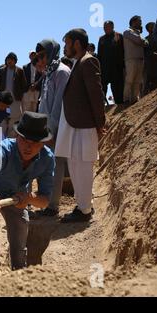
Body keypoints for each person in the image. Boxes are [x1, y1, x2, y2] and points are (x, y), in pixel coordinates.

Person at [0, 112, 55, 270]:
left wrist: (28, 199)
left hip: (16, 197)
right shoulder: (3, 149)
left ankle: (17, 273)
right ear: (17, 136)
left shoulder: (47, 159)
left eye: (34, 142)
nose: (28, 146)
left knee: (20, 233)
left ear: (43, 144)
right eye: (24, 140)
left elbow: (45, 200)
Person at [56, 28, 106, 223]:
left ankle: (84, 211)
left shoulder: (88, 61)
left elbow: (96, 95)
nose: (65, 47)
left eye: (67, 43)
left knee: (82, 166)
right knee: (75, 165)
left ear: (76, 43)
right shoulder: (78, 63)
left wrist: (100, 123)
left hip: (84, 125)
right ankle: (83, 205)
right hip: (76, 124)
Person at [34, 39, 72, 217]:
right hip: (45, 128)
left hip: (58, 129)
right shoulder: (49, 74)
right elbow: (44, 105)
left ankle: (53, 206)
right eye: (37, 57)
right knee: (46, 166)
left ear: (51, 53)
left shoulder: (62, 73)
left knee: (56, 167)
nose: (39, 60)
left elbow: (58, 106)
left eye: (42, 56)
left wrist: (50, 130)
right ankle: (47, 203)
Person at [0, 52, 27, 138]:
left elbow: (24, 85)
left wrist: (19, 94)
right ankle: (1, 140)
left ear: (15, 61)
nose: (9, 61)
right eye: (8, 59)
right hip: (3, 100)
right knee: (2, 119)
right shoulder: (1, 70)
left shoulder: (20, 71)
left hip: (15, 99)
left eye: (11, 60)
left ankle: (11, 139)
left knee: (14, 119)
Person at [98, 21, 125, 105]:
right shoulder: (101, 39)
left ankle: (119, 104)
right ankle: (101, 105)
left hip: (116, 67)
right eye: (104, 27)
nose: (105, 29)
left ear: (112, 27)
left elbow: (123, 51)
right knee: (102, 88)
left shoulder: (119, 36)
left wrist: (123, 65)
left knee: (117, 88)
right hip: (104, 68)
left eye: (107, 27)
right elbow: (99, 54)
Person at [123, 16, 149, 105]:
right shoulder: (127, 32)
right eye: (139, 21)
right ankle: (126, 99)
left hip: (140, 59)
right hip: (131, 59)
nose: (141, 23)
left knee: (138, 81)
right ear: (133, 22)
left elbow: (146, 43)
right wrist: (142, 41)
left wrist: (142, 40)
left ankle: (134, 99)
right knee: (130, 79)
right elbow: (138, 40)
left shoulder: (138, 33)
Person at [144, 22, 157, 95]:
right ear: (148, 29)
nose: (154, 28)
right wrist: (153, 54)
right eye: (152, 27)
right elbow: (145, 51)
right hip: (150, 63)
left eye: (155, 26)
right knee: (150, 81)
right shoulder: (146, 39)